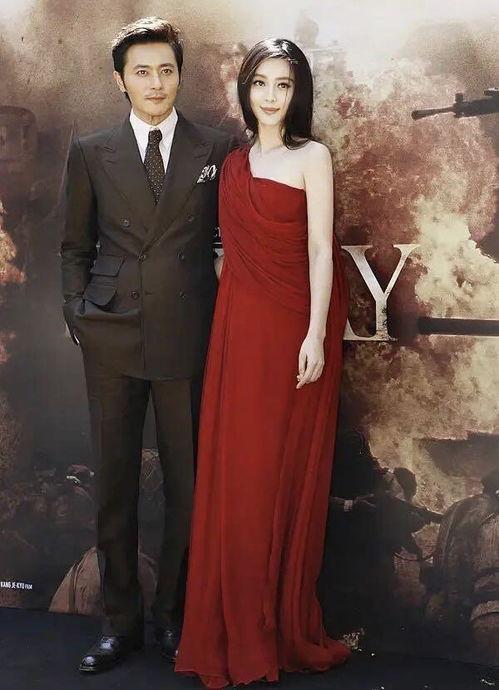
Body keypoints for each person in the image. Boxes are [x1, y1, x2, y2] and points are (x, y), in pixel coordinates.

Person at [60, 16, 235, 674]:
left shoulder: (217, 146)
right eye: (142, 71)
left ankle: (173, 617)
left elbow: (227, 238)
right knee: (115, 483)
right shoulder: (91, 150)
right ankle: (120, 622)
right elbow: (73, 246)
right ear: (120, 80)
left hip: (187, 333)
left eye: (166, 70)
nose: (156, 82)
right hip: (111, 333)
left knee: (187, 486)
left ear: (179, 75)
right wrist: (78, 314)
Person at [175, 38, 351, 688]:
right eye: (260, 83)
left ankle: (274, 627)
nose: (271, 96)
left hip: (291, 329)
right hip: (238, 330)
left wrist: (315, 335)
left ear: (297, 92)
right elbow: (225, 257)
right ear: (245, 89)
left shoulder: (312, 157)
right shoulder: (232, 164)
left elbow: (320, 252)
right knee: (237, 474)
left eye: (283, 84)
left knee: (275, 473)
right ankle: (230, 627)